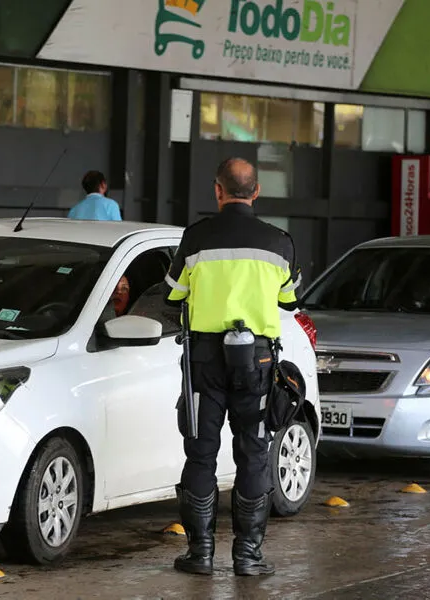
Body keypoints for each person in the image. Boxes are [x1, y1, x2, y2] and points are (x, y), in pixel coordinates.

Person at [164, 158, 299, 577]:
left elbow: (173, 297)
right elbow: (289, 301)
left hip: (204, 361)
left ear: (217, 191)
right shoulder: (279, 242)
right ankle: (247, 556)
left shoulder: (196, 237)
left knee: (201, 454)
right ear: (256, 192)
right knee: (254, 453)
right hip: (256, 363)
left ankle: (200, 554)